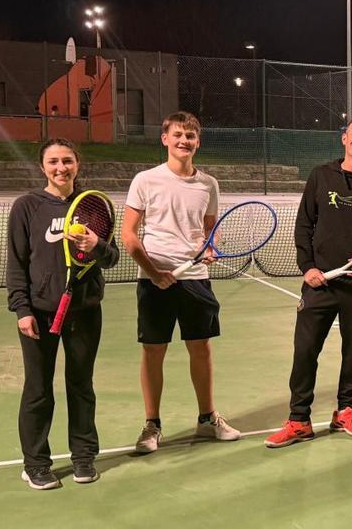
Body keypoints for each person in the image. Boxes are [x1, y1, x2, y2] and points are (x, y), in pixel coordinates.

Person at [266, 115, 352, 448]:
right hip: (320, 284)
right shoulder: (320, 176)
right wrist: (307, 267)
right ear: (344, 139)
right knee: (305, 352)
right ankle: (299, 420)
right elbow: (303, 227)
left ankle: (346, 412)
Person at [122, 111, 241, 454]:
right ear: (164, 139)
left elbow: (208, 231)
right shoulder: (145, 180)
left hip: (195, 279)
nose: (183, 141)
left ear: (197, 142)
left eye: (190, 136)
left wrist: (211, 249)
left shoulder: (209, 185)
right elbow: (129, 236)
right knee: (153, 351)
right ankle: (151, 425)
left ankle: (207, 419)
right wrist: (154, 272)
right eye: (177, 135)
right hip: (154, 279)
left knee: (200, 349)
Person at [7, 138, 120, 489]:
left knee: (81, 386)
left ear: (77, 164)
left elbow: (112, 258)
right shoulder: (27, 206)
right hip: (40, 314)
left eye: (67, 161)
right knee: (38, 389)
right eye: (53, 161)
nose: (61, 168)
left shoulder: (93, 207)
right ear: (43, 166)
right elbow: (16, 263)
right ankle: (36, 462)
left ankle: (83, 457)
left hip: (84, 312)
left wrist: (96, 245)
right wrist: (22, 309)